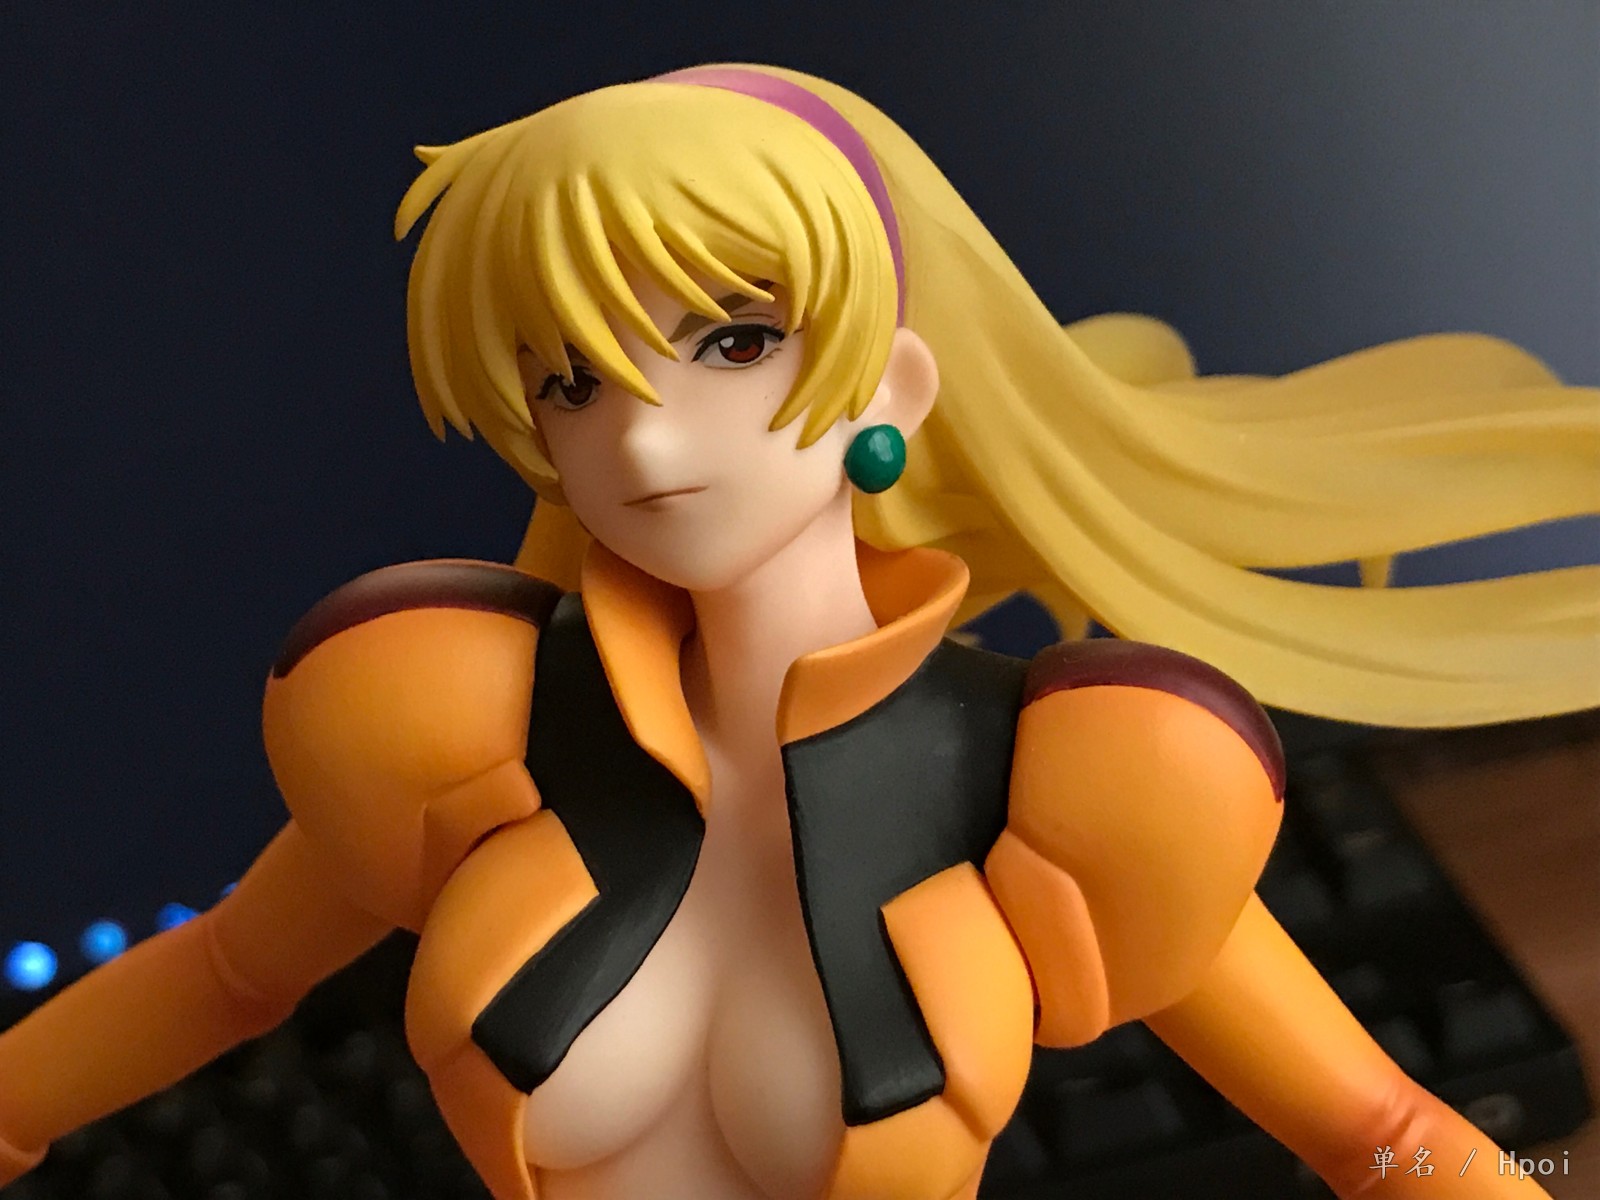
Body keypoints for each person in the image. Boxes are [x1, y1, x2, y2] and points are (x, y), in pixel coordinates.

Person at [1, 62, 1592, 1200]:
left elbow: (1382, 1134)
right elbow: (229, 974)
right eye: (573, 381)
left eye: (733, 341)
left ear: (890, 387)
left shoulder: (1046, 783)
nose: (644, 440)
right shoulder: (474, 735)